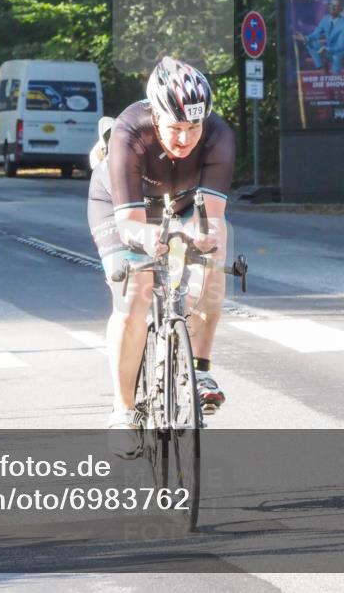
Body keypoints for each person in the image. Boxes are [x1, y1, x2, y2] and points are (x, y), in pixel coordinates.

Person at [87, 56, 235, 429]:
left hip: (182, 203)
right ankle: (123, 412)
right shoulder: (128, 132)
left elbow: (212, 214)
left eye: (193, 127)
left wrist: (204, 236)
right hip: (121, 208)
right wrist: (152, 239)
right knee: (135, 293)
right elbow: (130, 225)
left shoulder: (218, 136)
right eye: (175, 128)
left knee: (216, 244)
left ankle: (199, 369)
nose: (185, 139)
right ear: (155, 115)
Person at [295, 0, 344, 74]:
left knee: (336, 56)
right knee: (309, 41)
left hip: (343, 53)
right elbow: (316, 34)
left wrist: (327, 49)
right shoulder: (325, 19)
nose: (332, 7)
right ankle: (320, 67)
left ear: (341, 9)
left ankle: (336, 81)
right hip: (329, 52)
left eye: (335, 6)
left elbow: (341, 46)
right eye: (331, 5)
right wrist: (305, 38)